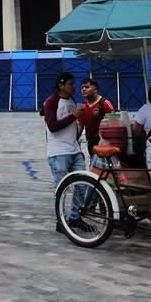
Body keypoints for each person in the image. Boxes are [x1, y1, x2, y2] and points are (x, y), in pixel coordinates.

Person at [43, 72, 86, 231]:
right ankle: (60, 221)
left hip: (74, 148)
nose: (73, 87)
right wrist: (73, 116)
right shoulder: (51, 101)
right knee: (62, 188)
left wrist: (79, 126)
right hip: (58, 151)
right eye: (70, 84)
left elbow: (73, 125)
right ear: (61, 85)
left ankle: (75, 217)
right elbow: (52, 126)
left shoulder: (72, 100)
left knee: (83, 184)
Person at [79, 78, 116, 157]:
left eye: (87, 87)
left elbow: (114, 122)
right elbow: (80, 124)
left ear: (95, 89)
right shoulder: (83, 106)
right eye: (82, 88)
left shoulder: (104, 103)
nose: (83, 89)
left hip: (105, 143)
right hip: (91, 142)